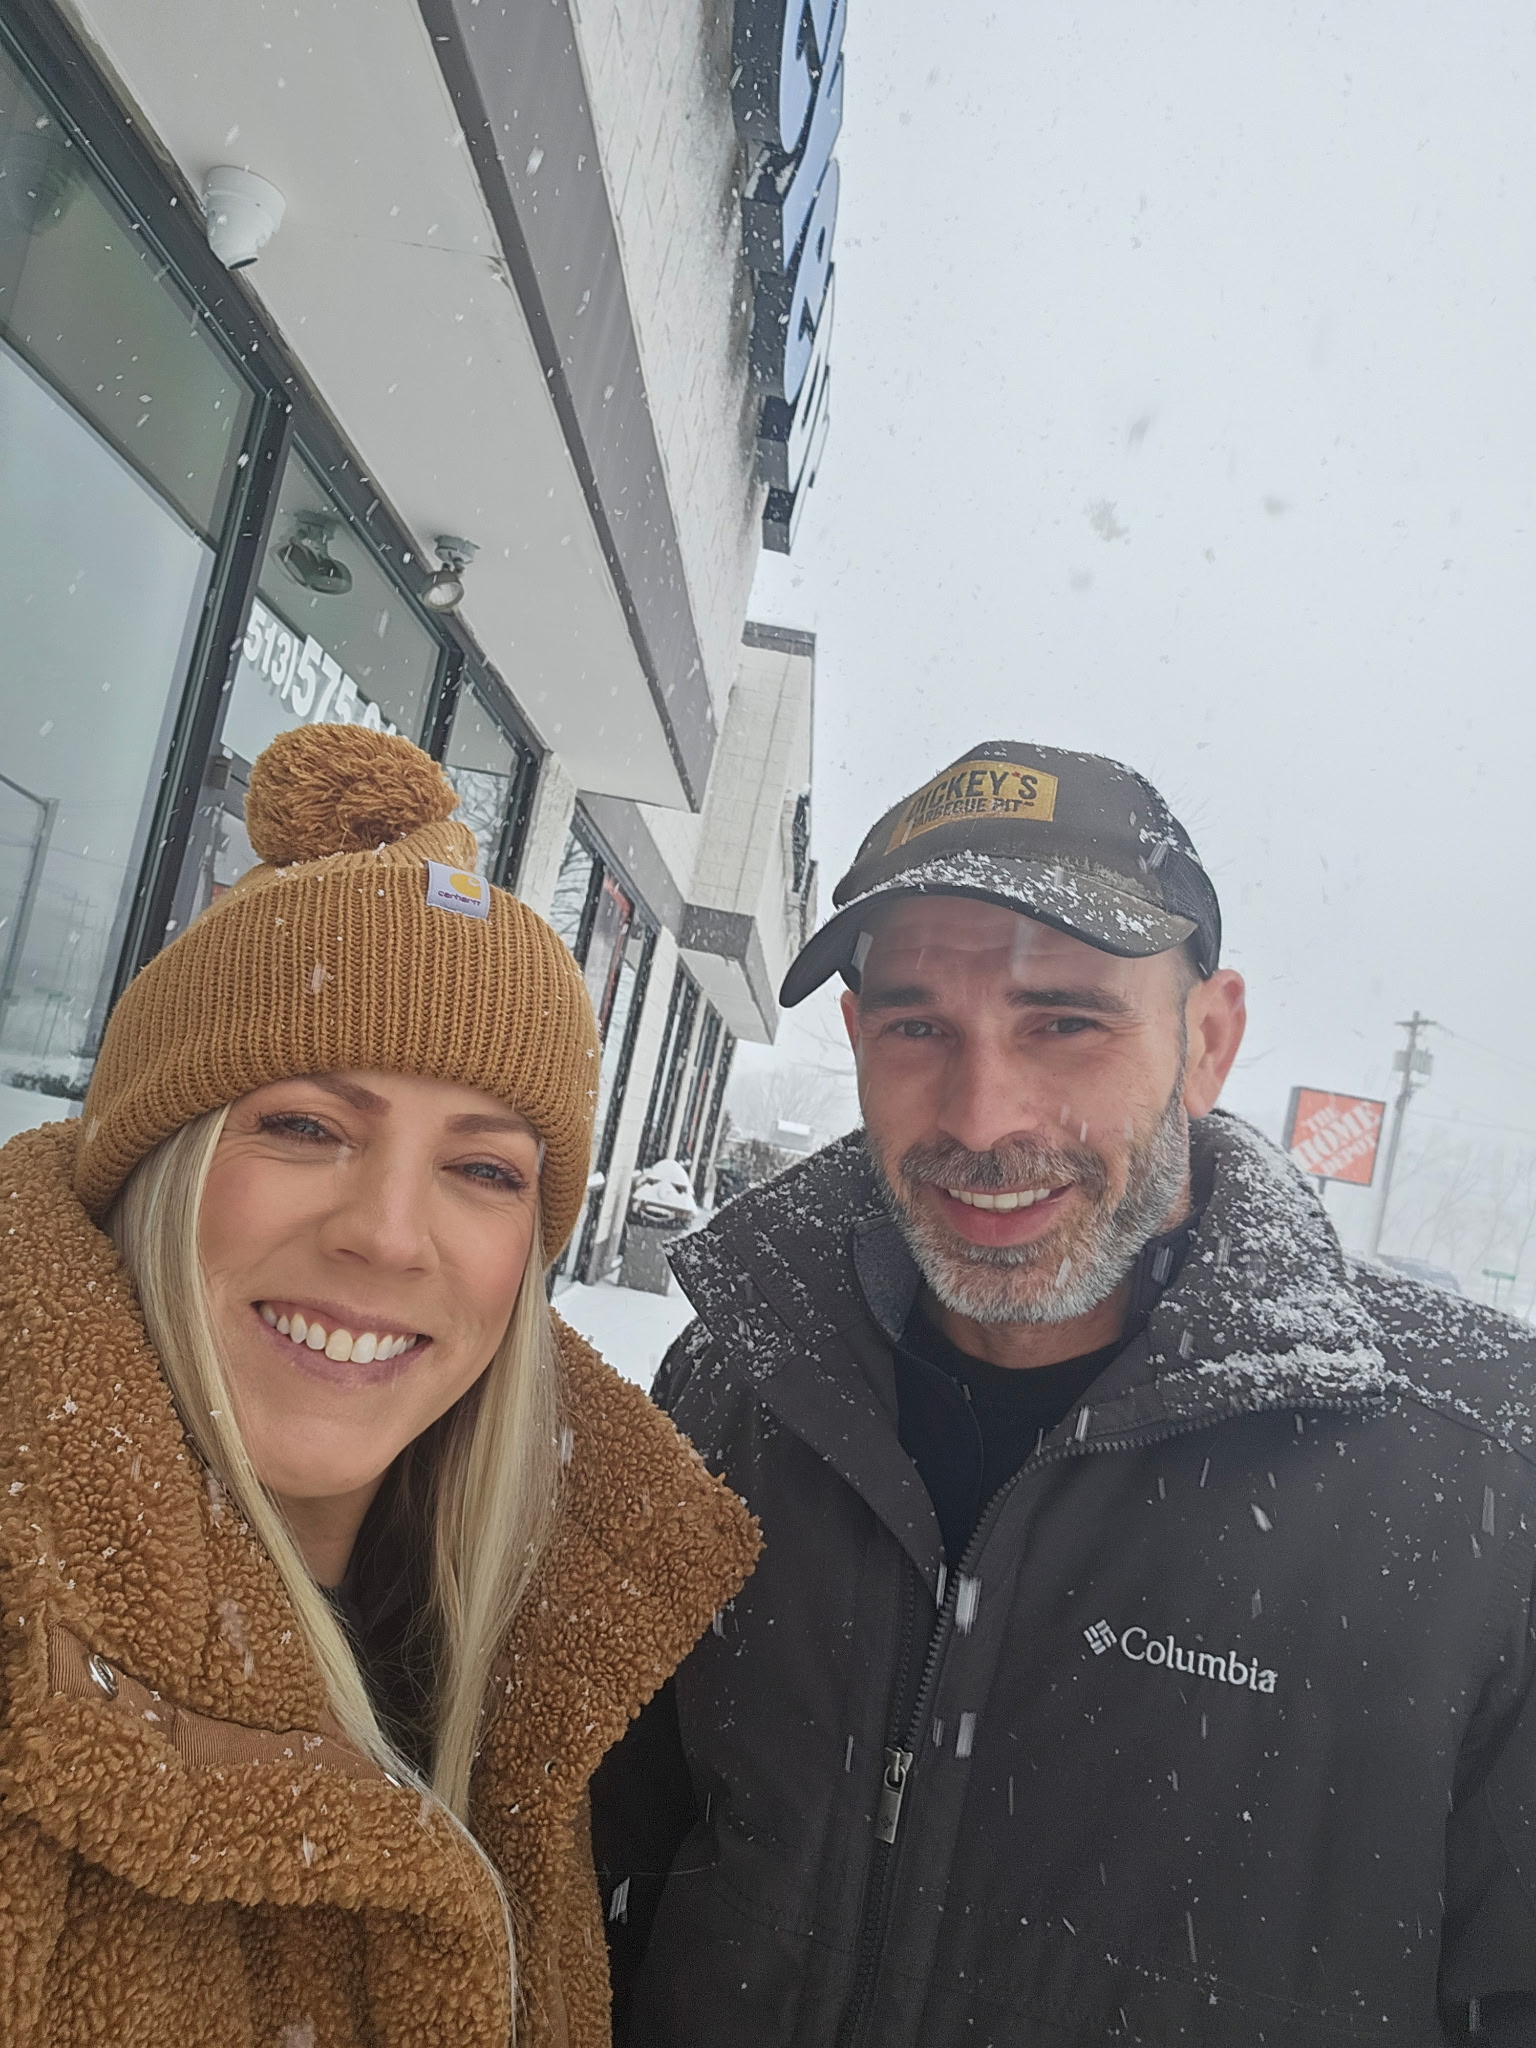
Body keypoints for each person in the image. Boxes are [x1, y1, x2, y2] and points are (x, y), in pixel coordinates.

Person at [593, 740, 1536, 2046]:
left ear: (1207, 1041)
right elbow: (583, 1866)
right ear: (860, 1039)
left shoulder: (1484, 1483)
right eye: (921, 1024)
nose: (983, 1116)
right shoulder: (739, 1385)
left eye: (1066, 1022)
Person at [0, 722, 757, 2047]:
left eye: (483, 1169)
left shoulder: (534, 1652)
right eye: (305, 1126)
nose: (390, 1235)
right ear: (155, 1168)